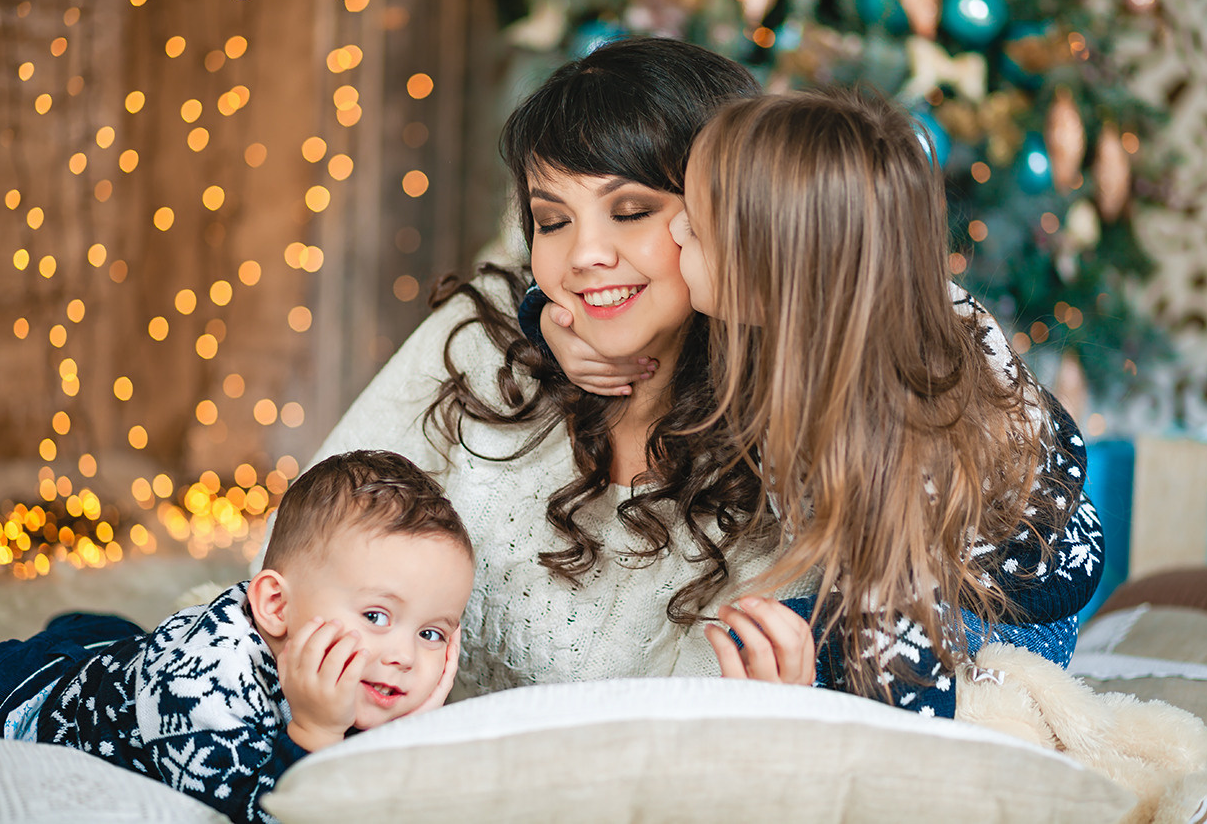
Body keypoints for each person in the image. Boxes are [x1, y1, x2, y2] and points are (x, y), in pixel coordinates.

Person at [265, 37, 823, 705]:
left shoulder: (793, 442)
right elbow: (292, 569)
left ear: (734, 214)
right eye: (553, 220)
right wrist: (536, 312)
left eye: (633, 211)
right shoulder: (491, 334)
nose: (584, 253)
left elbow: (915, 303)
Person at [532, 87, 1104, 715]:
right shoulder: (863, 287)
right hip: (962, 566)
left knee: (779, 638)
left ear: (764, 268)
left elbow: (901, 635)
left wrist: (817, 712)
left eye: (692, 225)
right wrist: (549, 319)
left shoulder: (864, 431)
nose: (673, 231)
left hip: (1003, 618)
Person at [0, 450, 474, 824]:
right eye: (378, 617)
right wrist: (315, 736)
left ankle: (86, 630)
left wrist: (409, 732)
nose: (405, 656)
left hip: (126, 661)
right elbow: (261, 811)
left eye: (431, 633)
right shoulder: (205, 689)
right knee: (79, 653)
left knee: (114, 637)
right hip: (20, 694)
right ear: (276, 606)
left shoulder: (355, 670)